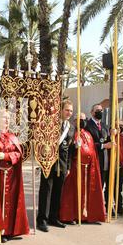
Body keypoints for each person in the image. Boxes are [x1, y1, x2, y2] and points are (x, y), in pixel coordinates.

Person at [0, 109, 29, 243]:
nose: (7, 120)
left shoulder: (12, 137)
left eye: (8, 118)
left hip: (10, 175)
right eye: (4, 117)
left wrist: (6, 156)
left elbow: (18, 154)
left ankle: (7, 230)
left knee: (8, 204)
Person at [59, 113, 106, 224]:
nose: (83, 121)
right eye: (80, 119)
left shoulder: (88, 134)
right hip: (76, 167)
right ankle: (72, 215)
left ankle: (89, 215)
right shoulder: (72, 133)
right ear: (75, 121)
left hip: (88, 168)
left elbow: (93, 149)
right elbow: (68, 151)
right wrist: (75, 147)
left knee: (88, 192)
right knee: (74, 192)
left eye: (84, 119)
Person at [37, 99, 75, 232]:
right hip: (49, 162)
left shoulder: (71, 127)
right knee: (46, 191)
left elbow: (70, 150)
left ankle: (54, 217)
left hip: (63, 164)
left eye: (71, 110)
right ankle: (42, 219)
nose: (69, 113)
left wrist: (68, 166)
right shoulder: (51, 124)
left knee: (58, 192)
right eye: (67, 110)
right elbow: (41, 142)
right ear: (61, 110)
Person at [106, 121, 123, 217]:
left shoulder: (122, 137)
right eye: (118, 126)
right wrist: (114, 134)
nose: (120, 128)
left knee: (119, 188)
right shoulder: (111, 136)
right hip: (112, 166)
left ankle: (119, 208)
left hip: (121, 166)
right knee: (110, 187)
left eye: (121, 126)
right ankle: (109, 207)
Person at [85, 104, 113, 186]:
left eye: (101, 110)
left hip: (105, 161)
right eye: (97, 110)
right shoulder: (87, 125)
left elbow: (107, 140)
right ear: (92, 112)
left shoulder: (104, 126)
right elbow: (88, 144)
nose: (100, 112)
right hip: (94, 160)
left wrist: (112, 136)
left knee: (102, 184)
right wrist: (103, 146)